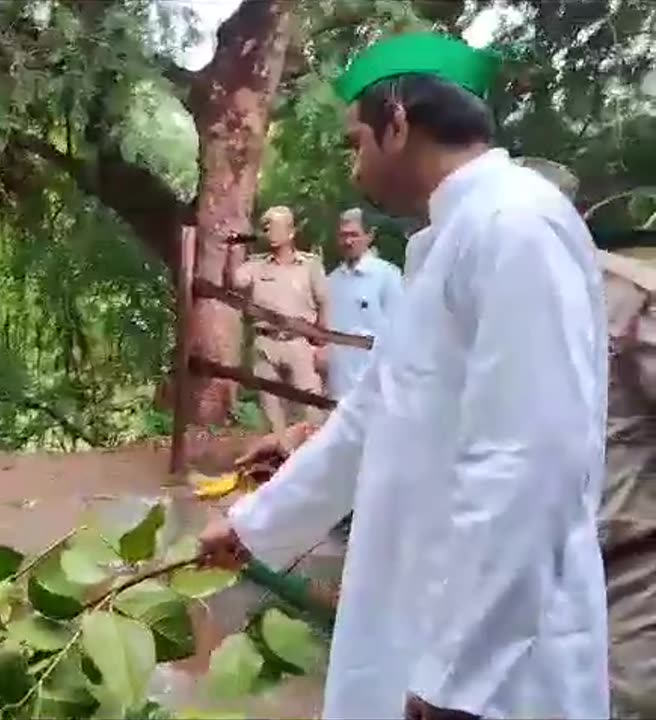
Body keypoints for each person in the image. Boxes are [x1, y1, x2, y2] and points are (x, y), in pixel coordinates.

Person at [199, 31, 610, 720]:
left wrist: (457, 677)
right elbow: (370, 416)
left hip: (499, 669)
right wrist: (253, 526)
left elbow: (529, 460)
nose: (353, 165)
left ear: (397, 122)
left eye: (357, 140)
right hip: (425, 614)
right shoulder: (449, 240)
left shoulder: (516, 227)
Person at [515, 155, 656, 719]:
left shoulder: (626, 297)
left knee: (624, 704)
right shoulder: (494, 297)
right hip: (530, 571)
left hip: (627, 567)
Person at [233, 205, 329, 439]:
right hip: (266, 344)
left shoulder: (310, 265)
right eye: (266, 227)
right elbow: (234, 282)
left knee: (311, 408)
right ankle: (279, 461)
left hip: (300, 344)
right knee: (272, 411)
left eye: (275, 227)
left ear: (290, 232)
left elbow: (324, 303)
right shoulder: (255, 265)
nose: (269, 232)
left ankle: (310, 462)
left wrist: (322, 346)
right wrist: (233, 248)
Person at [324, 208, 403, 398]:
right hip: (338, 384)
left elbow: (400, 330)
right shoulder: (332, 280)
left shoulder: (387, 276)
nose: (348, 241)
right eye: (343, 235)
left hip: (376, 386)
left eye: (354, 235)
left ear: (370, 236)